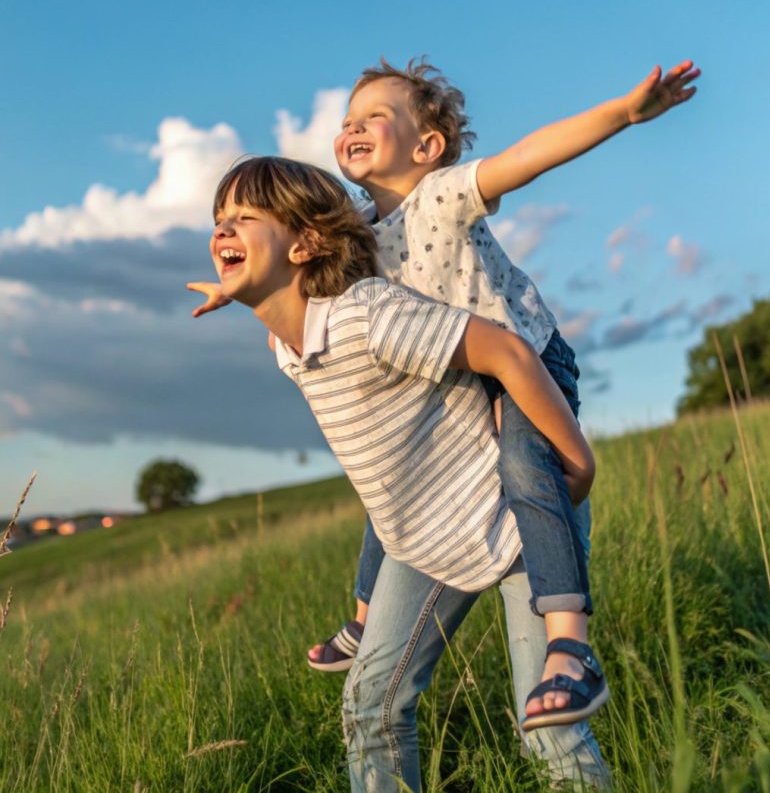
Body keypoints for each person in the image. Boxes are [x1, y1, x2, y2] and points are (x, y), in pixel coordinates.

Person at [189, 56, 699, 728]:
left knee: (525, 468)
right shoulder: (364, 236)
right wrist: (241, 285)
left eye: (374, 117)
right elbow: (300, 281)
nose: (352, 128)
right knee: (390, 480)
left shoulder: (443, 193)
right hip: (470, 377)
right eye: (347, 121)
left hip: (528, 361)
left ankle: (569, 642)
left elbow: (528, 155)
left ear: (427, 146)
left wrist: (622, 114)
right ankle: (366, 620)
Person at [203, 155, 610, 790]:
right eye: (219, 221)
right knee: (371, 708)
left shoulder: (368, 315)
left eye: (244, 218)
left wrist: (575, 457)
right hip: (421, 540)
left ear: (307, 242)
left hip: (514, 520)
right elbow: (284, 313)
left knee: (550, 731)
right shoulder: (287, 344)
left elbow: (506, 350)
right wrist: (239, 290)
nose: (223, 231)